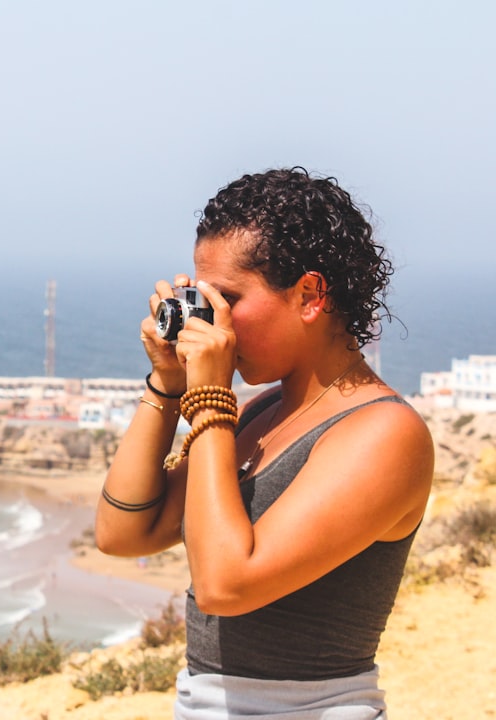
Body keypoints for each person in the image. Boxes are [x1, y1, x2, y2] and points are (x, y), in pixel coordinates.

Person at [96, 167, 434, 719]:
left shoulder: (385, 433)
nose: (211, 319)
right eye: (203, 299)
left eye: (226, 298)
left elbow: (226, 586)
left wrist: (208, 400)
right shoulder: (260, 415)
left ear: (308, 295)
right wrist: (167, 385)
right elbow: (123, 532)